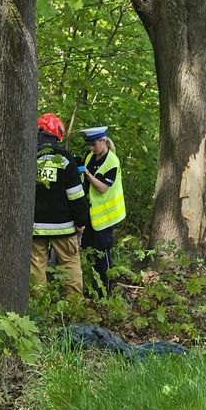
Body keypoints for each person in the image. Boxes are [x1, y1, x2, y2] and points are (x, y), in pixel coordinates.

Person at [32, 113, 90, 298]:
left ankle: (37, 308)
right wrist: (81, 220)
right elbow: (75, 195)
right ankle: (74, 307)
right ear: (58, 134)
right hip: (64, 225)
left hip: (35, 226)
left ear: (39, 130)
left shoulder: (28, 156)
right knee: (70, 264)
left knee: (36, 266)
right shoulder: (65, 158)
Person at [78, 126, 125, 296]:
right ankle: (93, 287)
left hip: (107, 215)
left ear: (103, 141)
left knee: (102, 252)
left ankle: (106, 290)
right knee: (89, 248)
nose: (91, 148)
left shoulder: (112, 161)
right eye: (89, 145)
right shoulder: (90, 156)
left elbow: (103, 188)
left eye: (93, 144)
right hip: (92, 213)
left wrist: (88, 174)